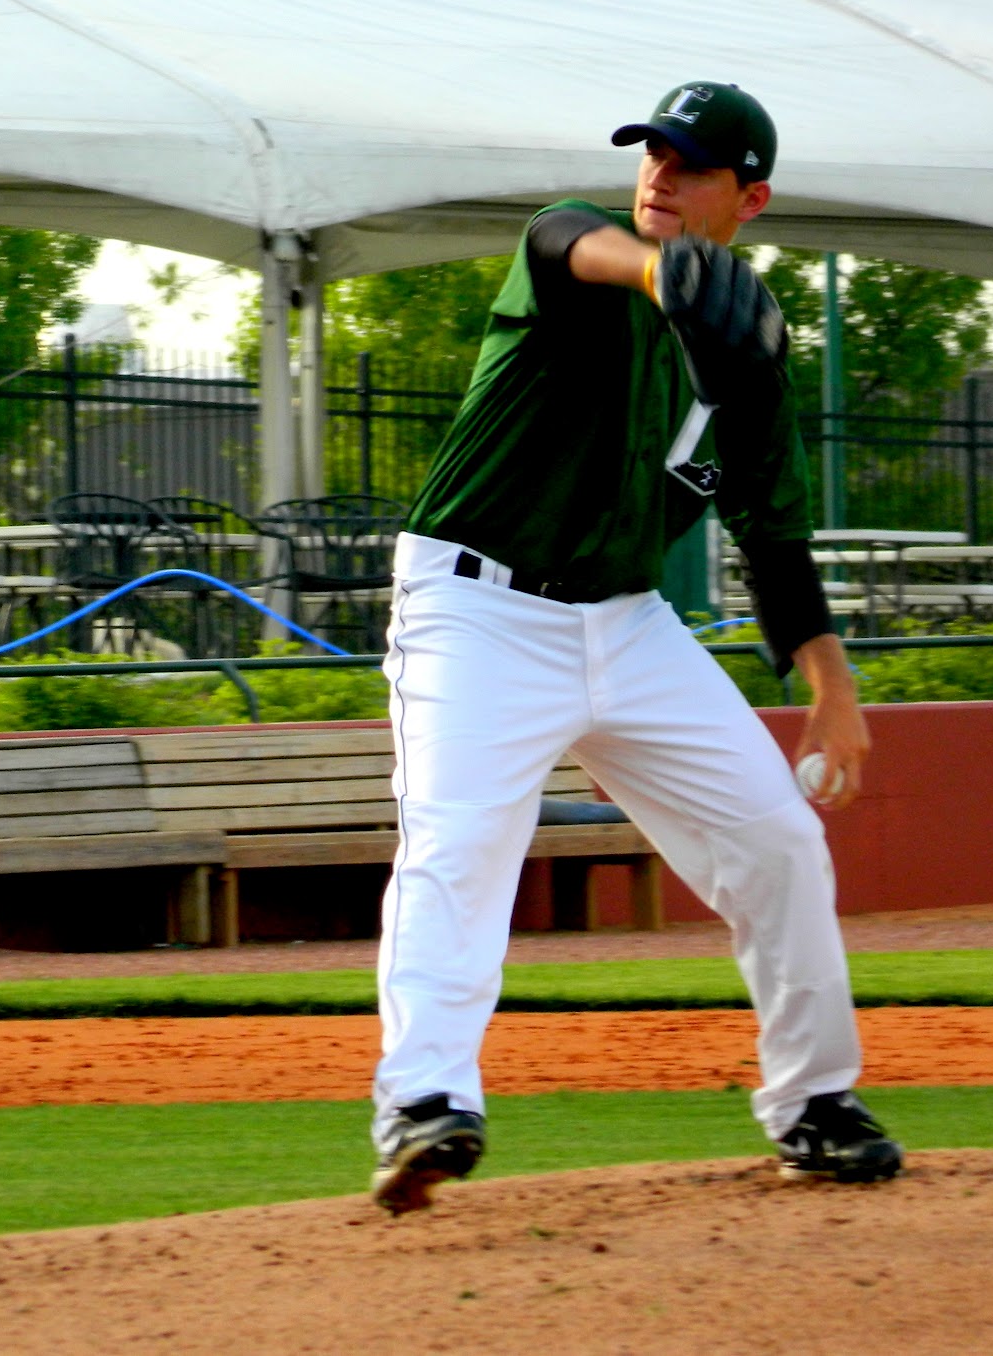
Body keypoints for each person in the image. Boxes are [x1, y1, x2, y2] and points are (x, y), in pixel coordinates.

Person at [369, 80, 904, 1216]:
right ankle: (423, 1102)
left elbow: (774, 535)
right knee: (459, 845)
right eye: (653, 152)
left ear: (747, 197)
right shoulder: (594, 261)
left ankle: (815, 1105)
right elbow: (561, 239)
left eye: (693, 163)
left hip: (627, 619)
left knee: (776, 842)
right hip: (476, 609)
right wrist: (660, 269)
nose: (660, 173)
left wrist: (833, 686)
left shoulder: (747, 348)